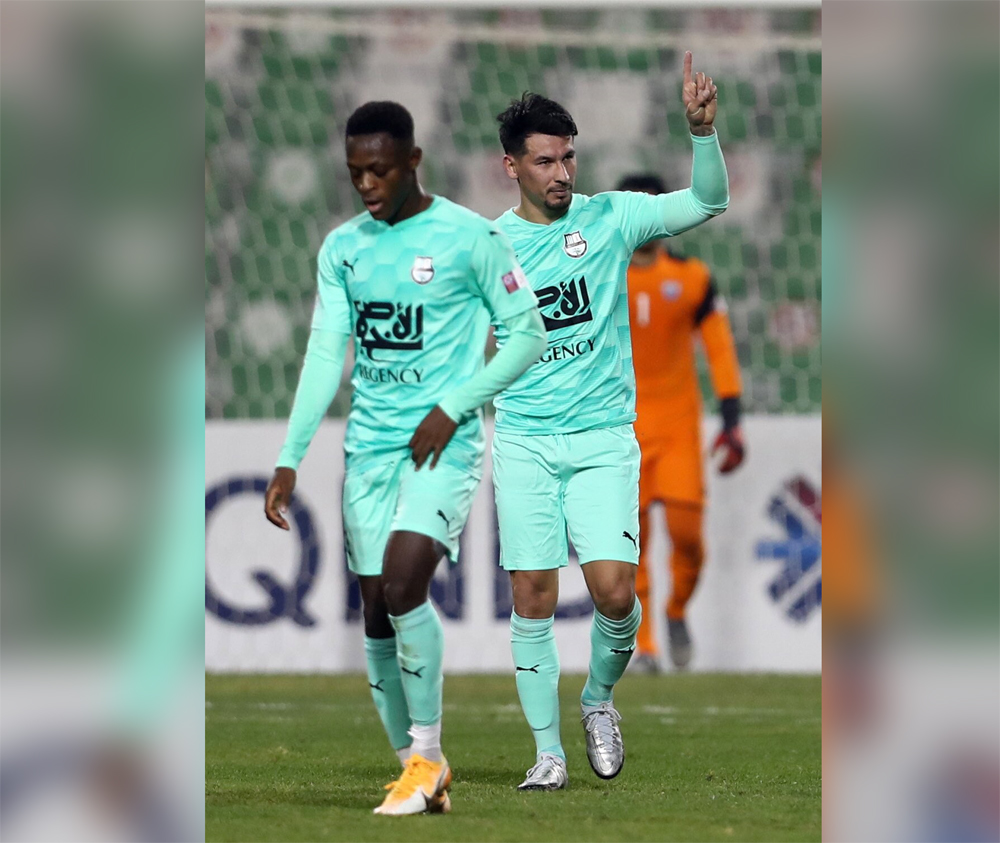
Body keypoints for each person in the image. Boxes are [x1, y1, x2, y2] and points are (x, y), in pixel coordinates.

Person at [263, 101, 546, 815]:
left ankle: (425, 755)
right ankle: (420, 769)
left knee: (401, 584)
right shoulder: (343, 248)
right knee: (374, 612)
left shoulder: (468, 238)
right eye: (355, 171)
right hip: (369, 450)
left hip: (442, 446)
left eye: (379, 169)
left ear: (413, 162)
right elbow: (327, 352)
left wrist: (455, 405)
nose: (366, 183)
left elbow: (527, 335)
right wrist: (290, 456)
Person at [491, 52, 728, 790]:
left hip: (600, 441)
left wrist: (702, 134)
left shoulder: (612, 217)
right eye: (545, 161)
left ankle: (598, 699)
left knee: (615, 594)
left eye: (569, 158)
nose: (562, 174)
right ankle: (547, 752)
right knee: (530, 591)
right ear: (512, 167)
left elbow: (708, 202)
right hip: (525, 440)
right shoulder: (487, 245)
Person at [618, 172, 745, 672]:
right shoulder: (605, 275)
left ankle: (675, 611)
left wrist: (731, 418)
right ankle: (645, 644)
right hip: (621, 426)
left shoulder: (693, 278)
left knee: (687, 537)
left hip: (677, 429)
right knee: (634, 543)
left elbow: (719, 347)